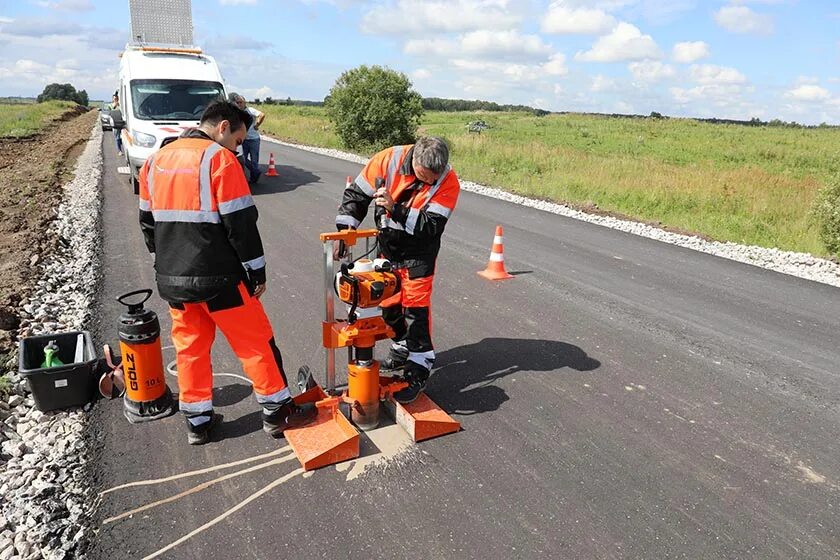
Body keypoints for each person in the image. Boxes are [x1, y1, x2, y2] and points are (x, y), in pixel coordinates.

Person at [138, 100, 316, 445]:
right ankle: (277, 411)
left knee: (189, 347)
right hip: (220, 280)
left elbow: (147, 223)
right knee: (255, 342)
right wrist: (257, 272)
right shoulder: (219, 160)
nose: (238, 147)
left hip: (174, 281)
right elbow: (241, 224)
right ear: (222, 126)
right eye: (238, 139)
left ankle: (198, 420)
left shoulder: (155, 161)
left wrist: (167, 264)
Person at [334, 137, 460, 404]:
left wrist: (395, 208)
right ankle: (402, 345)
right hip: (388, 248)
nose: (429, 183)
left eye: (432, 180)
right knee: (389, 305)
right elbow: (357, 195)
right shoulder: (387, 160)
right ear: (414, 160)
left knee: (415, 310)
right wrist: (346, 231)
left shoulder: (448, 181)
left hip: (419, 253)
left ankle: (419, 364)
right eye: (423, 177)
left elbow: (431, 226)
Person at [229, 93, 265, 184]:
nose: (239, 104)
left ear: (245, 103)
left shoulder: (250, 110)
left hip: (253, 139)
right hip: (243, 140)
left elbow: (262, 115)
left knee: (254, 160)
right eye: (237, 102)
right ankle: (255, 172)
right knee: (243, 159)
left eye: (241, 102)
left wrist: (257, 125)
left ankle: (254, 178)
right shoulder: (236, 112)